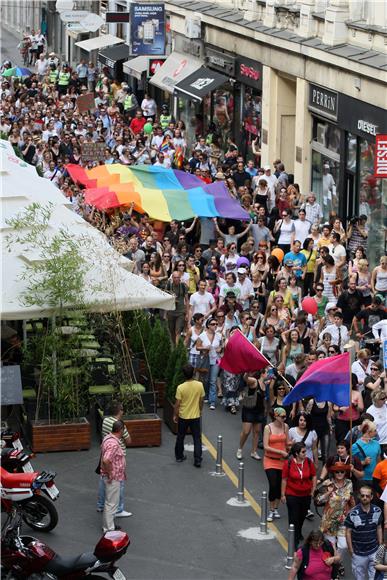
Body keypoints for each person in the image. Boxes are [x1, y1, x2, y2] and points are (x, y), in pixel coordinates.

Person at [316, 463, 355, 572]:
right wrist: (328, 492)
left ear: (345, 472)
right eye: (337, 471)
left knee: (343, 545)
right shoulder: (328, 483)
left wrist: (353, 512)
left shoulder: (349, 483)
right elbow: (318, 500)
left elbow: (350, 499)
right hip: (329, 520)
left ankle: (336, 561)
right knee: (331, 545)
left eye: (342, 471)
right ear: (333, 472)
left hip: (343, 520)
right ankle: (334, 568)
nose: (339, 474)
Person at [281, 442, 317, 548]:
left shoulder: (309, 462)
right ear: (296, 453)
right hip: (292, 494)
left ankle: (298, 531)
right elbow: (284, 479)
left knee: (302, 516)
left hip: (306, 495)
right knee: (293, 518)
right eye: (303, 452)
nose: (306, 453)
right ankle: (294, 539)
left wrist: (313, 489)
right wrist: (283, 494)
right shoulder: (288, 463)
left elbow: (314, 476)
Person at [345, 485, 383, 580]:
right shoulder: (352, 513)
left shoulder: (377, 511)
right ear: (359, 496)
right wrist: (351, 550)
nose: (365, 498)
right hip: (358, 553)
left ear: (371, 497)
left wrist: (380, 545)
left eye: (367, 496)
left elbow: (379, 528)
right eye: (362, 495)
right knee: (359, 578)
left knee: (375, 577)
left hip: (374, 550)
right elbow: (348, 532)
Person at [173, 364, 205, 468]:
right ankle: (197, 460)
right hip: (195, 416)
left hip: (183, 416)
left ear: (183, 375)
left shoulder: (180, 387)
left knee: (180, 436)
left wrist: (175, 415)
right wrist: (200, 409)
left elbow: (177, 404)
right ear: (193, 373)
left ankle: (179, 456)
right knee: (197, 438)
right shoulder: (199, 385)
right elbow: (201, 400)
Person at [100, 420, 127, 532]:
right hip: (113, 478)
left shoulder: (108, 438)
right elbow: (106, 460)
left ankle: (109, 525)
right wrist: (110, 473)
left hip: (113, 475)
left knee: (110, 502)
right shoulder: (114, 444)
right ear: (121, 430)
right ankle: (109, 529)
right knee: (111, 503)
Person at [263, 406, 289, 522]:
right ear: (276, 416)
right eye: (282, 416)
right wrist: (280, 451)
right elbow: (266, 446)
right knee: (273, 484)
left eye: (285, 416)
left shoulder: (286, 427)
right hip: (270, 460)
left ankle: (276, 508)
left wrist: (293, 444)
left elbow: (287, 442)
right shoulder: (268, 428)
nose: (284, 418)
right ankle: (271, 509)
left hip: (282, 461)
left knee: (279, 485)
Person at [236, 369, 268, 460]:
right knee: (246, 431)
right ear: (262, 374)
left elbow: (264, 399)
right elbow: (245, 378)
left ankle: (253, 451)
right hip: (249, 409)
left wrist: (265, 409)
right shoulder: (254, 381)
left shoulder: (265, 384)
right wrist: (247, 372)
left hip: (259, 410)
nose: (268, 374)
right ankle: (240, 449)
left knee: (257, 432)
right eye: (266, 372)